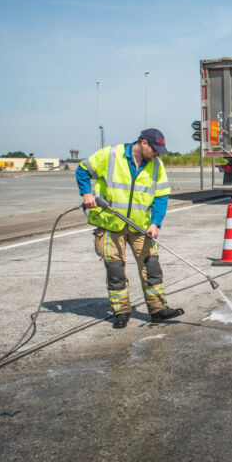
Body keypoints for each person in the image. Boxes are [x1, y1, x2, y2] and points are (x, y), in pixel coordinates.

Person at [76, 128, 184, 329]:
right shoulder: (111, 155)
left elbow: (161, 195)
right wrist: (86, 194)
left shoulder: (155, 164)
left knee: (151, 267)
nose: (157, 154)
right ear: (143, 143)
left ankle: (158, 310)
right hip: (110, 224)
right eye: (155, 149)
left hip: (140, 226)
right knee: (115, 270)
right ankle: (121, 312)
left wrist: (155, 223)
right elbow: (82, 169)